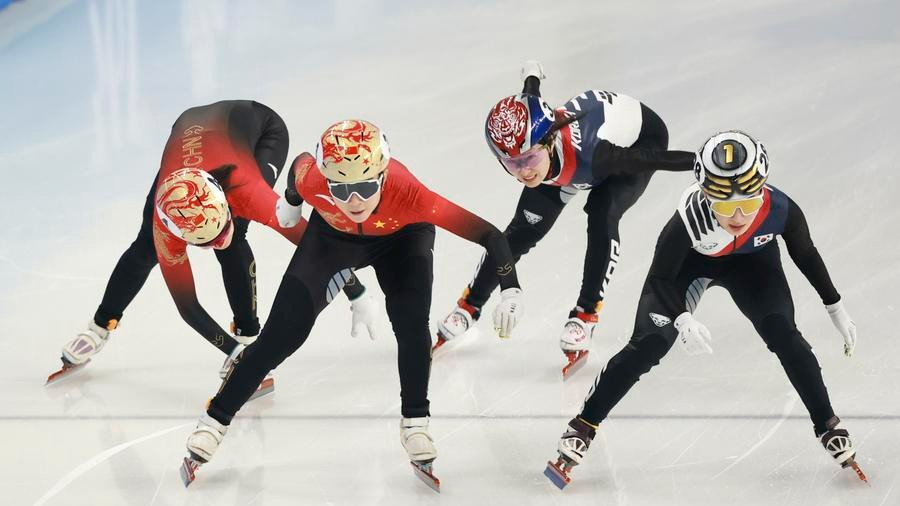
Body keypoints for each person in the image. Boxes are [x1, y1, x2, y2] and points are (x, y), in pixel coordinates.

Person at [180, 119, 525, 490]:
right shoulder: (314, 179)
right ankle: (214, 423)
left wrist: (511, 288)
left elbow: (489, 235)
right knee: (280, 336)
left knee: (410, 325)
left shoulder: (411, 193)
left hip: (403, 238)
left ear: (382, 175)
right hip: (333, 239)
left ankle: (415, 424)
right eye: (341, 189)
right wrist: (293, 203)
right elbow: (298, 167)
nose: (354, 200)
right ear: (327, 180)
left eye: (364, 186)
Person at [544, 130, 864, 488]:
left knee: (785, 335)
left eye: (748, 201)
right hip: (687, 269)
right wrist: (681, 319)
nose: (739, 215)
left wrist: (835, 307)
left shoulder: (780, 209)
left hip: (752, 265)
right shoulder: (688, 219)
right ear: (708, 197)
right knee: (649, 345)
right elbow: (662, 279)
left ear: (762, 190)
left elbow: (804, 252)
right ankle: (584, 425)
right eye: (726, 206)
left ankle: (828, 424)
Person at [51, 101, 374, 385]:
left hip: (260, 128)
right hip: (189, 138)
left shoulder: (249, 193)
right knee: (144, 248)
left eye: (218, 230)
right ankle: (98, 328)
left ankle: (248, 332)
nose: (214, 243)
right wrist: (232, 353)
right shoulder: (166, 224)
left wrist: (355, 291)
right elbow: (188, 306)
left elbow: (317, 244)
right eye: (203, 242)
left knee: (235, 242)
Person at [435, 61, 696, 376]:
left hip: (639, 142)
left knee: (602, 215)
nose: (524, 172)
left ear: (547, 140)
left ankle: (585, 317)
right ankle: (469, 305)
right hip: (571, 156)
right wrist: (532, 75)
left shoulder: (596, 157)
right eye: (511, 164)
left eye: (529, 159)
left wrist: (702, 164)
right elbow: (529, 94)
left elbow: (651, 159)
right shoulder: (532, 141)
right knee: (520, 232)